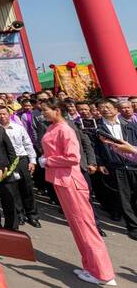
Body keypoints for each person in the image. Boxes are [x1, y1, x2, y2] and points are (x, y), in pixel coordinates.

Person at [39, 99, 116, 286]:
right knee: (77, 227)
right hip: (60, 180)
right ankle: (90, 267)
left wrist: (47, 161)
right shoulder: (53, 127)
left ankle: (104, 273)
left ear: (57, 110)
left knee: (85, 226)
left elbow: (73, 157)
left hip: (70, 181)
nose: (42, 113)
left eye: (45, 110)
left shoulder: (65, 129)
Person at [96, 99, 137, 240]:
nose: (105, 109)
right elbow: (96, 148)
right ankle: (133, 228)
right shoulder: (98, 128)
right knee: (124, 198)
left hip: (134, 164)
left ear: (116, 109)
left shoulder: (130, 125)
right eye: (101, 107)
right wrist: (100, 163)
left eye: (107, 106)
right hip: (116, 166)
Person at [0, 106, 40, 228]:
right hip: (6, 162)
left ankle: (32, 215)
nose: (2, 116)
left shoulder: (18, 128)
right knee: (13, 189)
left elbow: (28, 144)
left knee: (27, 188)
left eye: (4, 114)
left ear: (9, 114)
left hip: (21, 160)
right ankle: (19, 214)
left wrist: (32, 160)